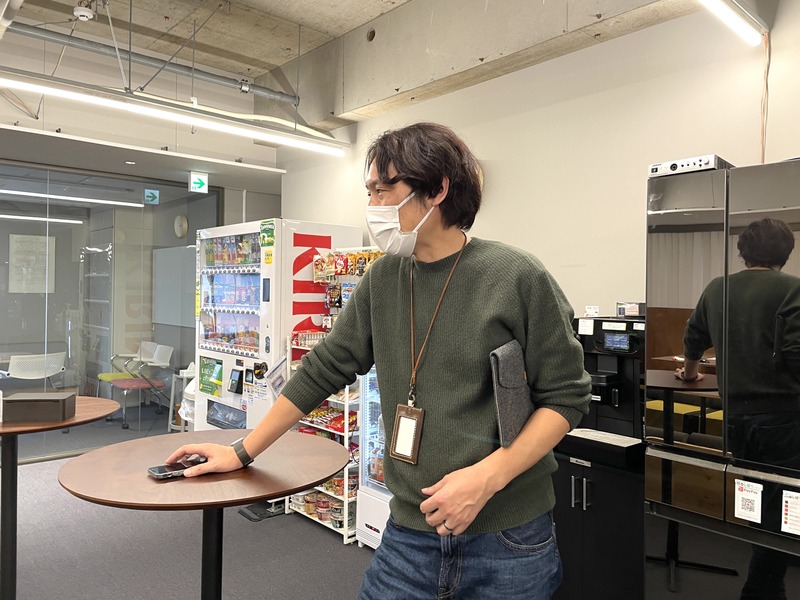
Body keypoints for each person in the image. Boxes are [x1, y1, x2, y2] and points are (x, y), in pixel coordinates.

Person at [167, 122, 592, 599]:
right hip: (410, 532)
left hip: (508, 535)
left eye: (383, 190)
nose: (372, 205)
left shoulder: (516, 276)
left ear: (437, 190)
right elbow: (325, 367)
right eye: (368, 192)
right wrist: (242, 451)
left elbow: (566, 397)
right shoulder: (383, 278)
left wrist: (486, 478)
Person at [676, 217, 800, 600]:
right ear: (786, 252)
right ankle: (762, 588)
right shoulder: (794, 289)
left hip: (736, 417)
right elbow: (796, 354)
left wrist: (691, 373)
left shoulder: (718, 287)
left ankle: (766, 581)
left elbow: (694, 337)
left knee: (755, 498)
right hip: (783, 417)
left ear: (743, 251)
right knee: (782, 504)